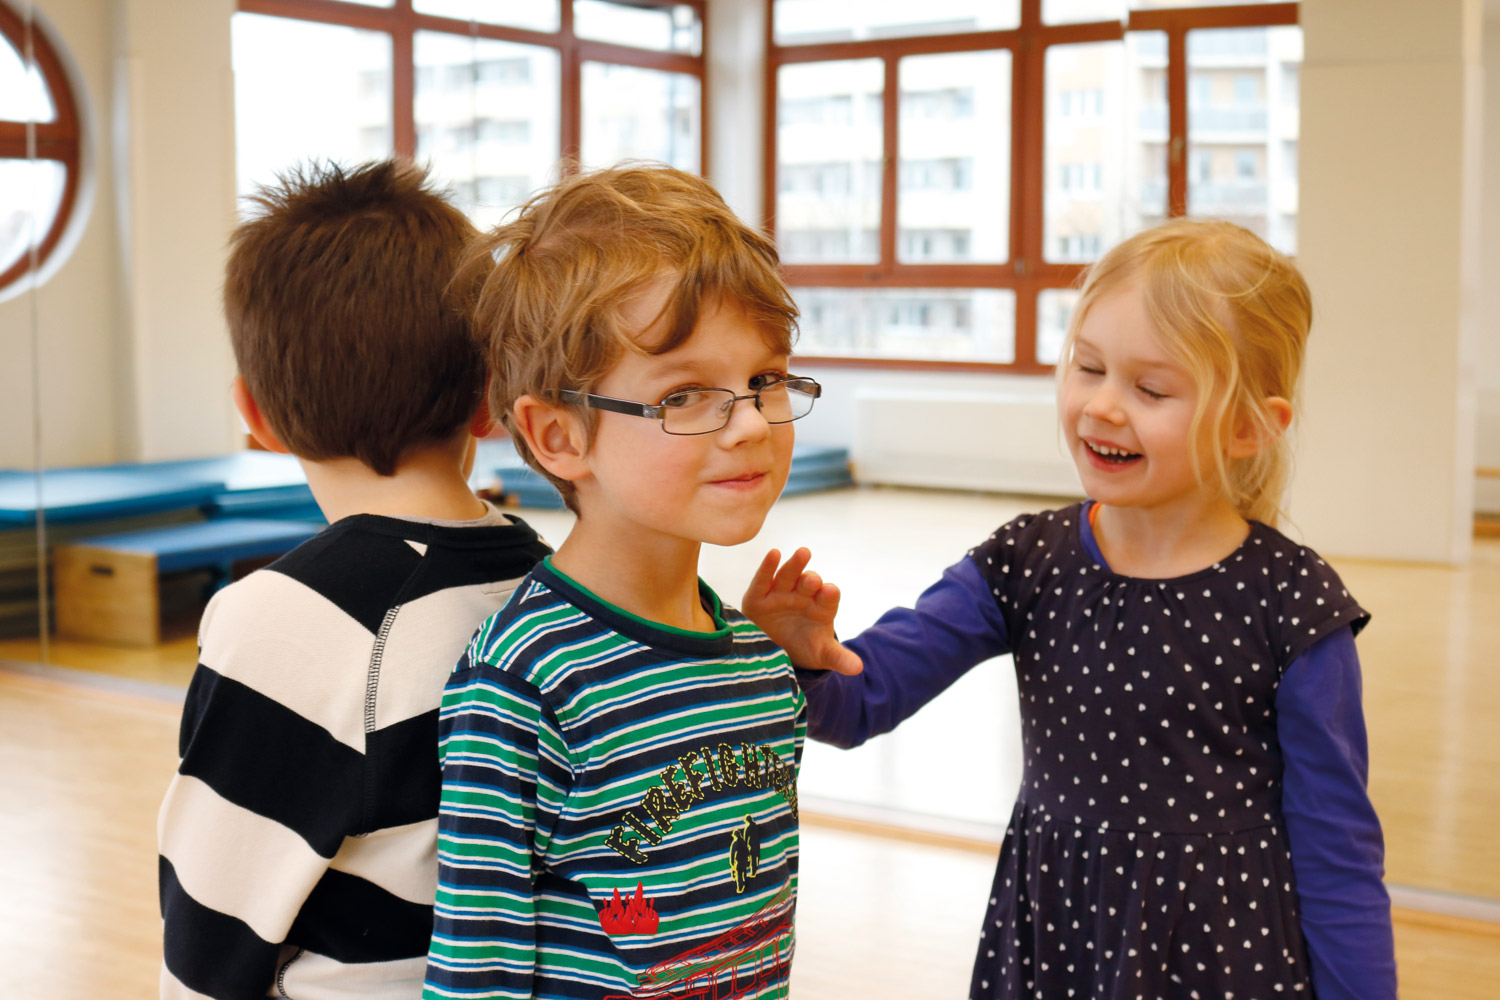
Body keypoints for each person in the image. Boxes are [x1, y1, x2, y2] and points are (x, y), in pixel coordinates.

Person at [744, 219, 1397, 1000]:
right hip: (1059, 939)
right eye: (1088, 368)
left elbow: (1337, 849)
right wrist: (802, 657)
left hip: (1224, 956)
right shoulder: (1024, 562)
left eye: (1151, 389)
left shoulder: (1292, 606)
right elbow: (861, 701)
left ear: (1250, 427)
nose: (1104, 407)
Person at [420, 165, 816, 1000]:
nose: (749, 424)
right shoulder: (524, 678)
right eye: (685, 395)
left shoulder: (757, 660)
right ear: (560, 436)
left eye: (765, 381)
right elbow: (476, 960)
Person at [157, 160, 551, 999]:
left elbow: (217, 906)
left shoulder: (283, 620)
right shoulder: (553, 585)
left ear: (254, 413)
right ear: (491, 400)